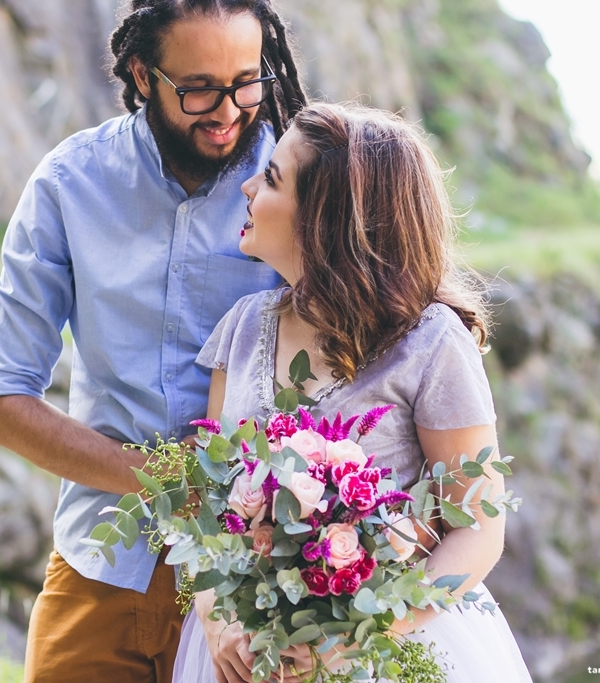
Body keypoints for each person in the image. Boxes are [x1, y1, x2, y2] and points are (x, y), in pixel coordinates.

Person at [0, 1, 307, 681]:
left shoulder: (299, 181)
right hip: (103, 561)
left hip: (266, 577)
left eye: (247, 79)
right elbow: (0, 400)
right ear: (141, 74)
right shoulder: (68, 184)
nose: (229, 110)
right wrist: (160, 478)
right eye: (199, 88)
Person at [173, 103, 534, 683]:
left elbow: (477, 526)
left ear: (324, 218)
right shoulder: (240, 328)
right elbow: (209, 504)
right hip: (243, 654)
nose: (246, 186)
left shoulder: (432, 343)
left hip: (384, 652)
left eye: (270, 178)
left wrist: (363, 631)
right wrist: (216, 613)